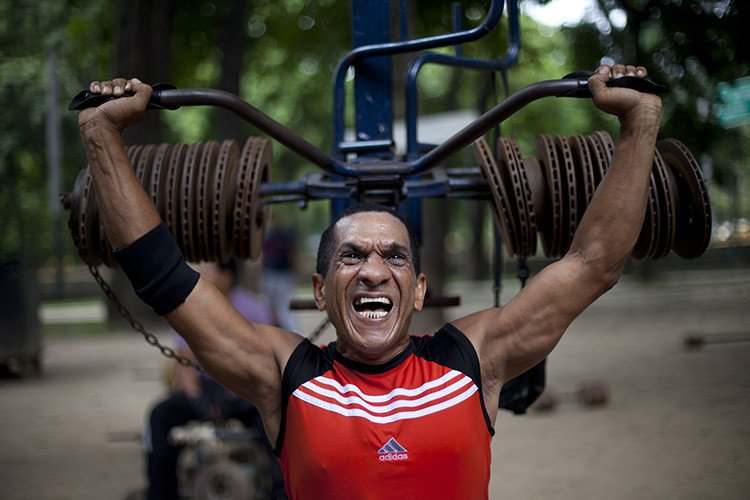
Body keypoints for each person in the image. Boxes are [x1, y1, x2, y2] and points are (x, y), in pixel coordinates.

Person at [78, 63, 662, 499]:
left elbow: (594, 263)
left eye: (395, 258)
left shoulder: (473, 359)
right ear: (320, 289)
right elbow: (164, 279)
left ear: (420, 289)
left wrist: (640, 125)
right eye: (351, 256)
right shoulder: (287, 376)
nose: (374, 271)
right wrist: (103, 136)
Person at [144, 260, 286, 499]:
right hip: (205, 389)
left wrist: (239, 392)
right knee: (160, 416)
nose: (199, 274)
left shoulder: (254, 308)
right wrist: (196, 398)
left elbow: (268, 363)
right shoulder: (188, 309)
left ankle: (281, 492)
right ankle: (161, 494)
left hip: (247, 390)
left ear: (226, 276)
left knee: (279, 420)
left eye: (206, 270)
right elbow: (184, 363)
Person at [261, 213, 299, 331]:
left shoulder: (285, 237)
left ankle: (289, 329)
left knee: (284, 306)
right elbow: (263, 257)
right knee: (269, 306)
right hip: (269, 274)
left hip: (283, 274)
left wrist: (295, 272)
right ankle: (274, 329)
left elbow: (293, 255)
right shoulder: (266, 238)